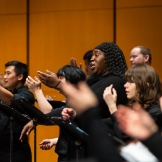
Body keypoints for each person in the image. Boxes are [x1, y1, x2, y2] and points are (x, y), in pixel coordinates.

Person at [26, 65, 87, 162]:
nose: (57, 81)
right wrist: (55, 140)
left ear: (72, 80)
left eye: (61, 79)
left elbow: (48, 114)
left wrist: (37, 91)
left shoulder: (79, 101)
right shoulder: (71, 100)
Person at [103, 64, 162, 142]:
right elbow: (105, 124)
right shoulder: (133, 108)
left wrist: (112, 107)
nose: (125, 85)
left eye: (131, 82)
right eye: (126, 81)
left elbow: (126, 138)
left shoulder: (155, 112)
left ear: (146, 85)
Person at [0, 60, 35, 162]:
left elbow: (11, 100)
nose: (5, 77)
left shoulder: (28, 95)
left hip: (16, 152)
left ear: (20, 77)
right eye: (4, 73)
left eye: (8, 73)